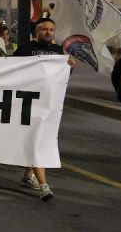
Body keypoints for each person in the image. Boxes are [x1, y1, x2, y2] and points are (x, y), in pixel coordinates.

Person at [12, 18, 77, 201]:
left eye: (51, 29)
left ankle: (27, 175)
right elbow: (10, 72)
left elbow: (60, 77)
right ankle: (43, 185)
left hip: (49, 104)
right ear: (36, 32)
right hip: (29, 103)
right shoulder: (24, 50)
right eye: (44, 29)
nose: (48, 32)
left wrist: (70, 66)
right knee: (37, 140)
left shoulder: (57, 51)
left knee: (39, 139)